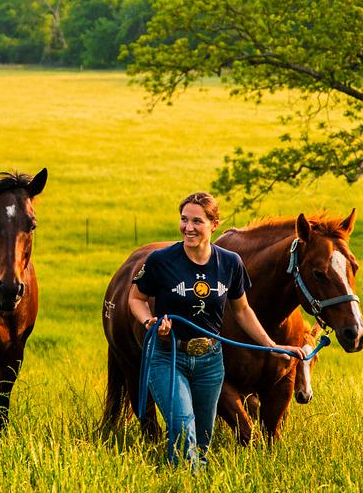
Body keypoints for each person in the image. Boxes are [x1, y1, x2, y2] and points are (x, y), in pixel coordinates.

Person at [128, 191, 303, 467]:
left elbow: (243, 310)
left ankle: (194, 485)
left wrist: (272, 345)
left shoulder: (230, 263)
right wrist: (149, 322)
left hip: (210, 360)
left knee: (203, 436)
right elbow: (135, 299)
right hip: (169, 355)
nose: (188, 227)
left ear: (214, 224)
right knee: (184, 427)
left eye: (197, 221)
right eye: (184, 219)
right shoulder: (161, 261)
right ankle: (184, 488)